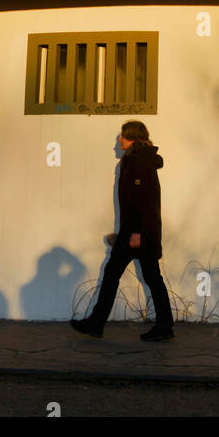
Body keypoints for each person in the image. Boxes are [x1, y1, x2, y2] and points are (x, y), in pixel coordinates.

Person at [70, 120, 174, 341]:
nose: (119, 140)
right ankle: (163, 326)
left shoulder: (138, 161)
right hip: (136, 233)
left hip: (137, 235)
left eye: (122, 136)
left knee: (125, 275)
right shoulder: (138, 160)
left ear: (133, 138)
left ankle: (97, 324)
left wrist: (136, 232)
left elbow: (143, 200)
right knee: (147, 277)